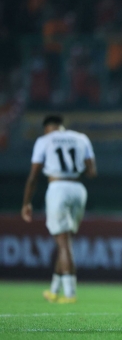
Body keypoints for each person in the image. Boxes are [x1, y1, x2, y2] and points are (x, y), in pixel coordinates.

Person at [21, 115, 97, 304]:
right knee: (65, 241)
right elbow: (92, 172)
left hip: (58, 188)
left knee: (63, 243)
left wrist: (26, 203)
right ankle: (55, 290)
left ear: (47, 128)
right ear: (61, 126)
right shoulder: (81, 138)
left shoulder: (44, 140)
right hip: (78, 190)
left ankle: (70, 294)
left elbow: (33, 175)